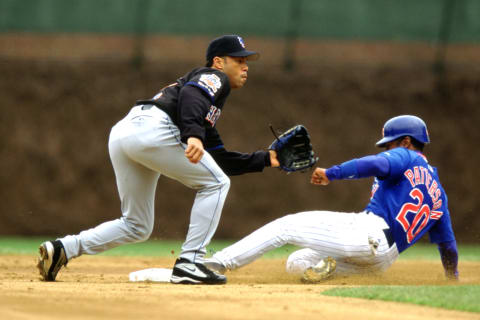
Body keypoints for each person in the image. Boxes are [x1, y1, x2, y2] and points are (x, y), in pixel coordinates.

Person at [37, 35, 280, 285]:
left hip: (125, 133)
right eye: (239, 60)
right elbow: (192, 96)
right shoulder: (214, 78)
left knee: (136, 225)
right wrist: (194, 135)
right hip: (155, 129)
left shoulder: (205, 110)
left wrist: (267, 159)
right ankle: (190, 262)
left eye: (246, 61)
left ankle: (63, 248)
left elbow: (220, 159)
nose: (245, 66)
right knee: (216, 184)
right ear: (218, 62)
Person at [205, 115, 459, 282]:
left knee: (286, 227)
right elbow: (448, 246)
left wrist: (332, 174)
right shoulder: (440, 196)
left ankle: (218, 263)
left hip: (369, 232)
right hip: (382, 260)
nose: (386, 150)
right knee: (298, 261)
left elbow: (375, 163)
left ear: (406, 142)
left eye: (389, 145)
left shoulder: (407, 156)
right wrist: (452, 278)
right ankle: (325, 273)